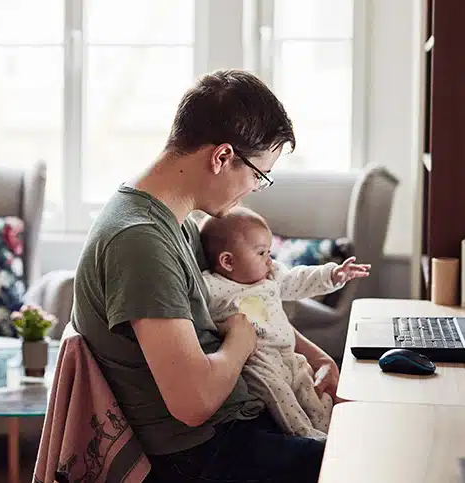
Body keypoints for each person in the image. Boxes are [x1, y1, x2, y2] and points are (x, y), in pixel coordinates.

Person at [71, 69, 339, 482]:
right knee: (364, 462)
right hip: (202, 452)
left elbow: (238, 304)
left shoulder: (173, 220)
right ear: (222, 157)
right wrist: (240, 340)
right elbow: (193, 402)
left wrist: (317, 355)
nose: (252, 190)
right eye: (258, 175)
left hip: (234, 423)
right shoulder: (139, 241)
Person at [199, 207, 370, 439]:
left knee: (313, 392)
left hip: (289, 354)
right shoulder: (211, 286)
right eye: (261, 253)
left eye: (269, 252)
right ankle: (306, 435)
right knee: (280, 395)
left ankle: (332, 431)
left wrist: (333, 276)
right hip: (258, 360)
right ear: (228, 261)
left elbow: (299, 280)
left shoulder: (272, 276)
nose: (269, 260)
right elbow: (191, 308)